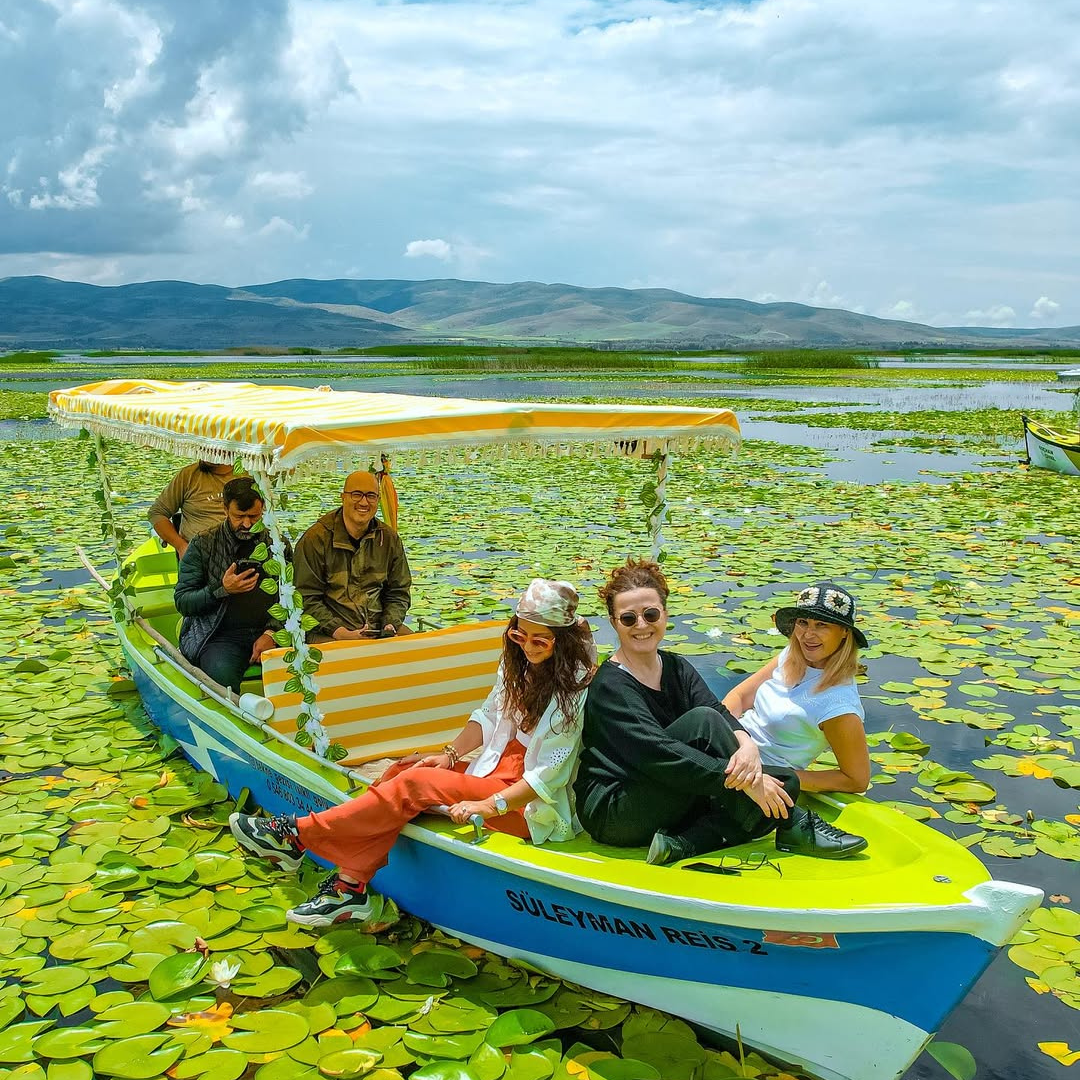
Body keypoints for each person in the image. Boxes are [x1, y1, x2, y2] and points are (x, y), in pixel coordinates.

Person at [229, 579, 596, 926]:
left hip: (524, 804)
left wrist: (491, 806)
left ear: (560, 642)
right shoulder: (518, 663)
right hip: (495, 770)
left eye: (540, 642)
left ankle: (297, 834)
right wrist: (450, 755)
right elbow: (488, 716)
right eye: (519, 635)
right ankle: (350, 888)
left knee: (416, 783)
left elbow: (548, 775)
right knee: (401, 770)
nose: (527, 647)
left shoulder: (575, 688)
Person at [573, 559, 865, 866]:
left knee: (784, 783)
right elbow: (659, 754)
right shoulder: (611, 685)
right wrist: (751, 781)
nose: (641, 625)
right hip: (617, 809)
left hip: (664, 789)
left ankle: (687, 843)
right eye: (628, 619)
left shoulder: (675, 666)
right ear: (614, 622)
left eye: (650, 614)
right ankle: (794, 824)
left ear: (664, 614)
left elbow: (716, 707)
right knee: (710, 728)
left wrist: (748, 746)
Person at [722, 582, 872, 832]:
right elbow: (740, 697)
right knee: (700, 715)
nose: (808, 635)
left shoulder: (838, 704)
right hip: (731, 745)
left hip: (756, 778)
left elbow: (856, 779)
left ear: (845, 632)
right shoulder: (790, 656)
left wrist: (782, 778)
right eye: (803, 623)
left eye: (821, 625)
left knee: (696, 717)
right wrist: (729, 732)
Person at [174, 477, 285, 693]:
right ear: (225, 509)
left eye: (253, 517)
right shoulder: (203, 544)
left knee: (304, 672)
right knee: (221, 680)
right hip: (219, 636)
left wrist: (271, 633)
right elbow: (183, 602)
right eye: (239, 516)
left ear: (262, 508)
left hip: (268, 631)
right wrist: (222, 590)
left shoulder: (277, 544)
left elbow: (293, 596)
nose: (246, 524)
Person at [293, 470, 412, 641]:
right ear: (343, 497)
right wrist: (339, 631)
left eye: (371, 496)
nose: (364, 502)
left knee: (421, 652)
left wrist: (390, 623)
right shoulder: (315, 539)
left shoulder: (389, 539)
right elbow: (305, 598)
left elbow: (399, 592)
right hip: (329, 631)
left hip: (378, 627)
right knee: (348, 659)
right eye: (357, 495)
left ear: (378, 500)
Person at [148, 460, 241, 558]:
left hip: (240, 550)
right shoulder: (188, 475)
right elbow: (157, 513)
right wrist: (181, 546)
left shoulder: (250, 473)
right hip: (198, 554)